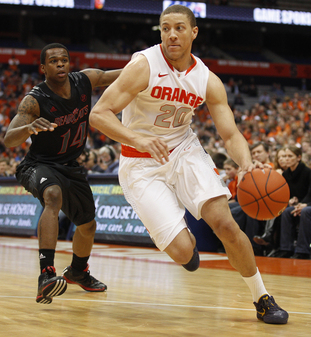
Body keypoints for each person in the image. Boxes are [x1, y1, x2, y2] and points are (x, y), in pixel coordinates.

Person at [89, 5, 288, 324]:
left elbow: (230, 133)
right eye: (165, 28)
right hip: (140, 163)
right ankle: (185, 244)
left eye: (179, 28)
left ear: (194, 32)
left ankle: (261, 296)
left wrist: (247, 161)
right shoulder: (143, 65)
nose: (171, 34)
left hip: (183, 151)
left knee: (225, 224)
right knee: (184, 252)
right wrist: (137, 139)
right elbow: (98, 113)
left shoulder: (206, 79)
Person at [3, 43, 122, 304]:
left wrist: (146, 67)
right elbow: (9, 139)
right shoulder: (35, 99)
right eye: (54, 61)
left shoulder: (85, 80)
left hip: (70, 166)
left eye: (64, 60)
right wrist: (30, 127)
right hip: (38, 164)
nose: (60, 65)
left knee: (88, 225)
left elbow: (116, 75)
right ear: (43, 68)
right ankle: (46, 274)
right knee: (53, 196)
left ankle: (78, 271)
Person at [270, 146, 311, 259]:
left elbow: (309, 192)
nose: (287, 159)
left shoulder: (307, 172)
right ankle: (285, 248)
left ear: (299, 157)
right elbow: (287, 192)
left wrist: (305, 204)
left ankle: (303, 250)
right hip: (300, 204)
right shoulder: (286, 174)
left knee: (306, 211)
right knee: (286, 211)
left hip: (307, 205)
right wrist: (292, 200)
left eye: (290, 156)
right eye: (285, 156)